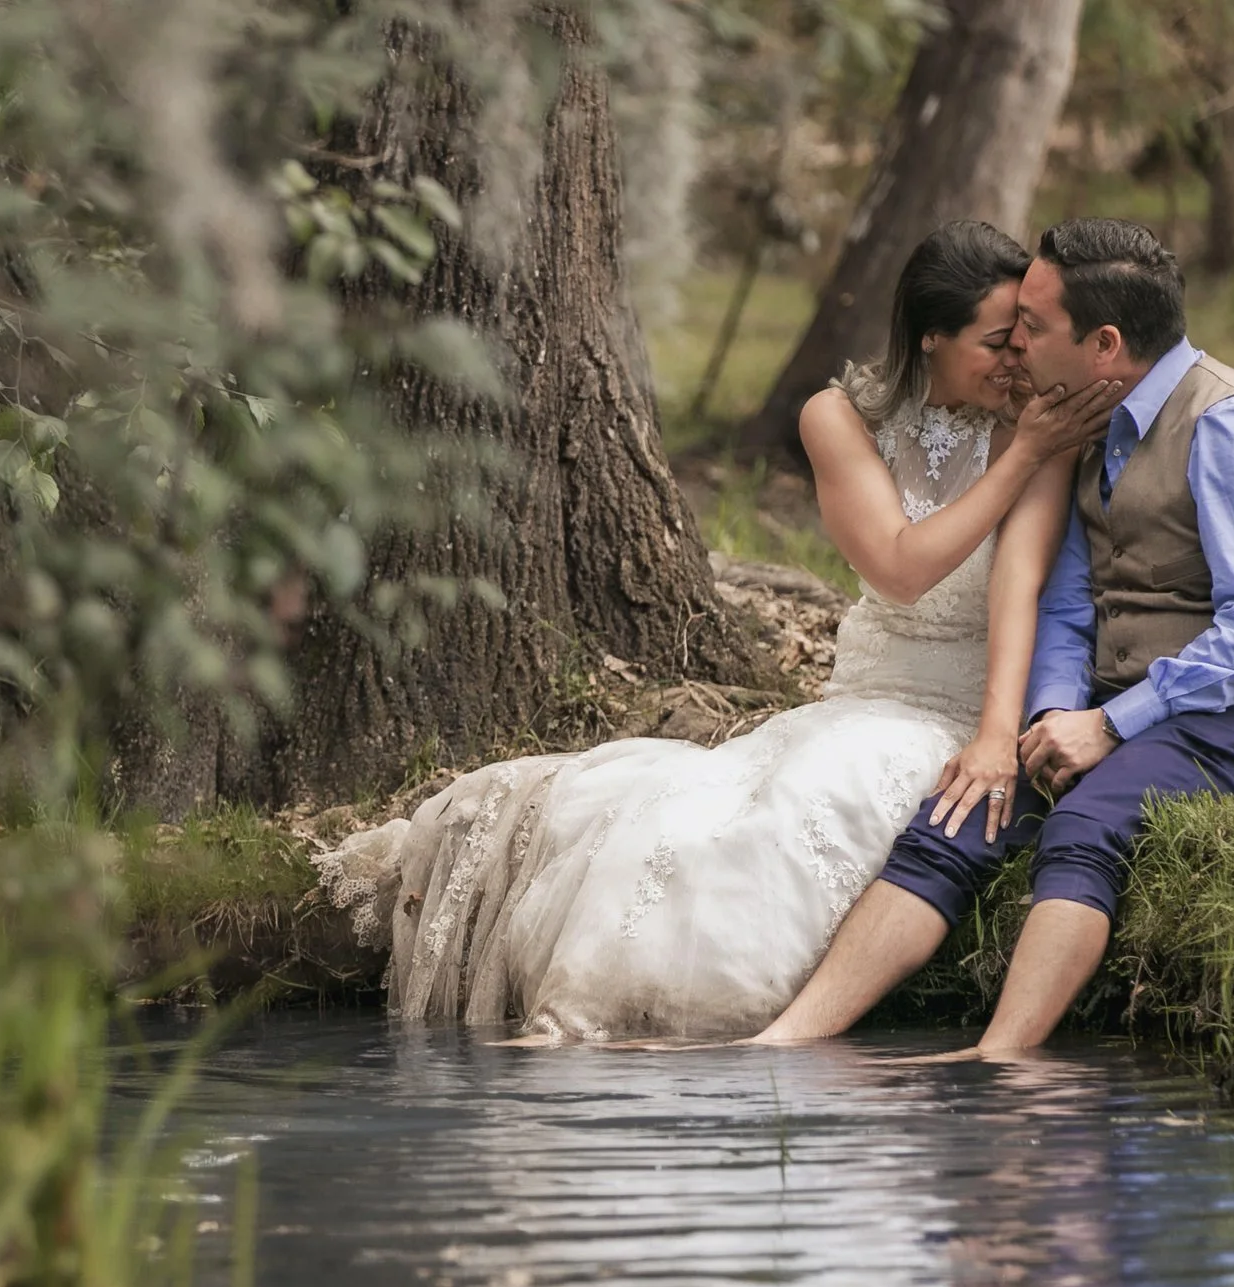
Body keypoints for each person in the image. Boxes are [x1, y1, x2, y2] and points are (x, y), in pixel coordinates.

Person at [315, 221, 1120, 1041]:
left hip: (960, 704)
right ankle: (608, 1011)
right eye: (997, 342)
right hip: (866, 692)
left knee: (816, 797)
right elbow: (901, 571)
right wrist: (1022, 458)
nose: (1020, 359)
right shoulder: (839, 418)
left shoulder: (1035, 425)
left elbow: (1020, 587)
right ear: (931, 338)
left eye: (1025, 335)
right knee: (710, 803)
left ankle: (723, 1026)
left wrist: (994, 735)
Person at [750, 217, 1234, 1052]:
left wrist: (1110, 724)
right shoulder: (1091, 427)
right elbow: (1071, 609)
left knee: (1088, 821)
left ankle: (998, 1059)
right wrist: (1047, 720)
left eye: (1033, 328)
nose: (1019, 349)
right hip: (1150, 703)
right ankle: (784, 1040)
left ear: (1103, 343)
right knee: (963, 815)